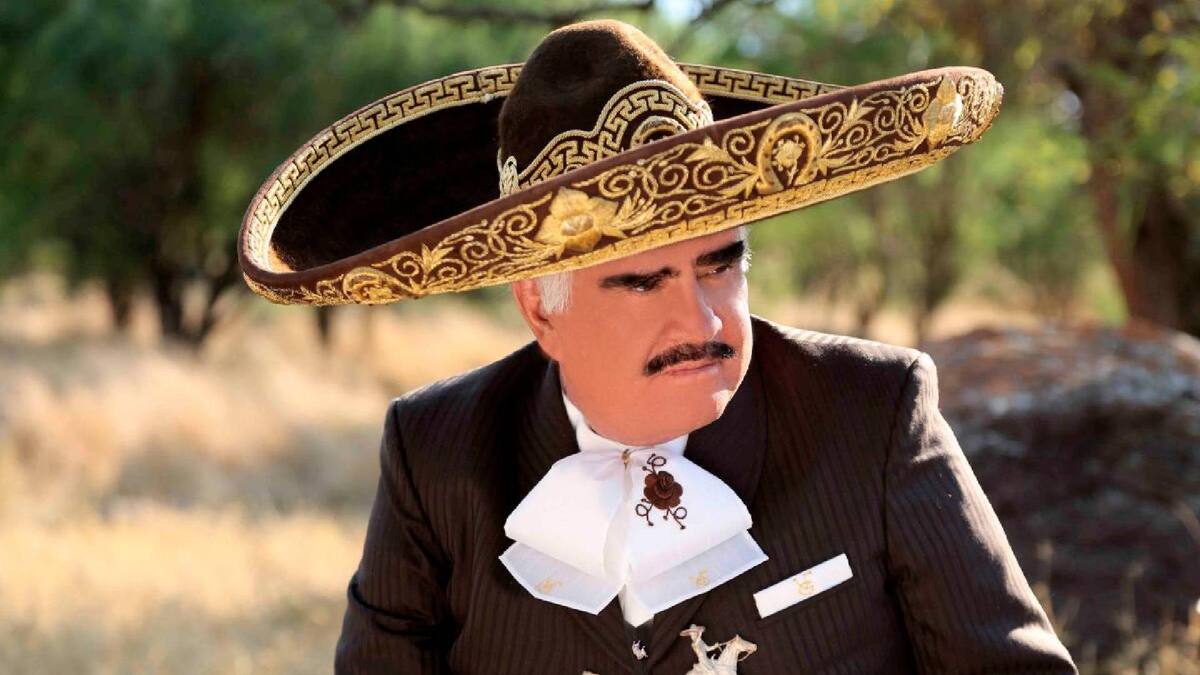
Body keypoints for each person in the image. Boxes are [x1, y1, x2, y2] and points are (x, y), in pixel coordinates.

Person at [238, 18, 1076, 675]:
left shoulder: (875, 411)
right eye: (643, 282)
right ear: (540, 308)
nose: (701, 319)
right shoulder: (434, 453)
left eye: (721, 265)